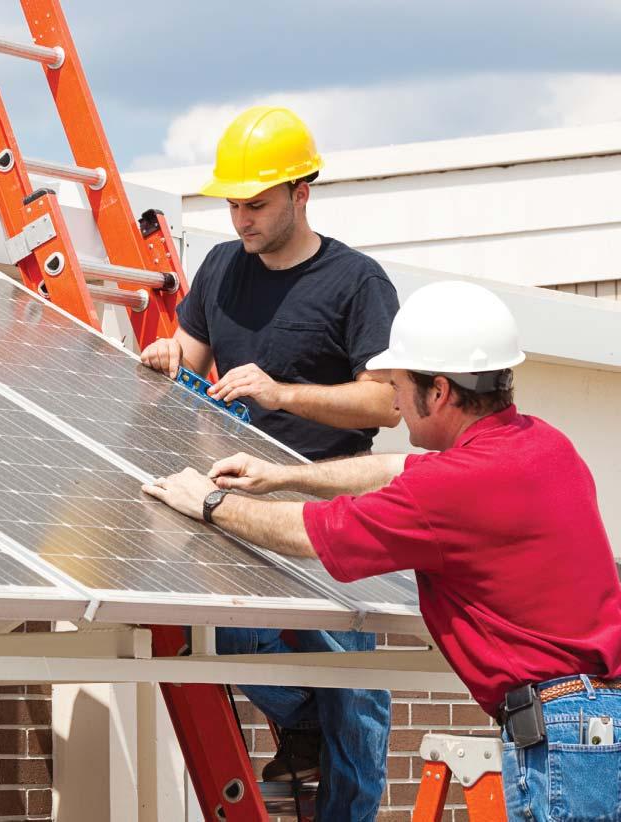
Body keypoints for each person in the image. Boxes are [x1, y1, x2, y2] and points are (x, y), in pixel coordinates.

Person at [144, 279, 621, 821]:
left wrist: (209, 503)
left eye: (397, 384)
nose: (392, 401)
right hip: (597, 726)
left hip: (563, 738)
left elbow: (314, 534)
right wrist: (282, 474)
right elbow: (392, 467)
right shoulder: (541, 445)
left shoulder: (454, 488)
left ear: (438, 391)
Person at [140, 105, 400, 821]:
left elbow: (384, 405)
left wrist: (280, 391)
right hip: (235, 505)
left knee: (353, 686)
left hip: (326, 512)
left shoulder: (357, 283)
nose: (241, 221)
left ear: (301, 193)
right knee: (227, 639)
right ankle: (305, 725)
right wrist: (168, 359)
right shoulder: (222, 268)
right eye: (232, 205)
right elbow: (187, 370)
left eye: (256, 205)